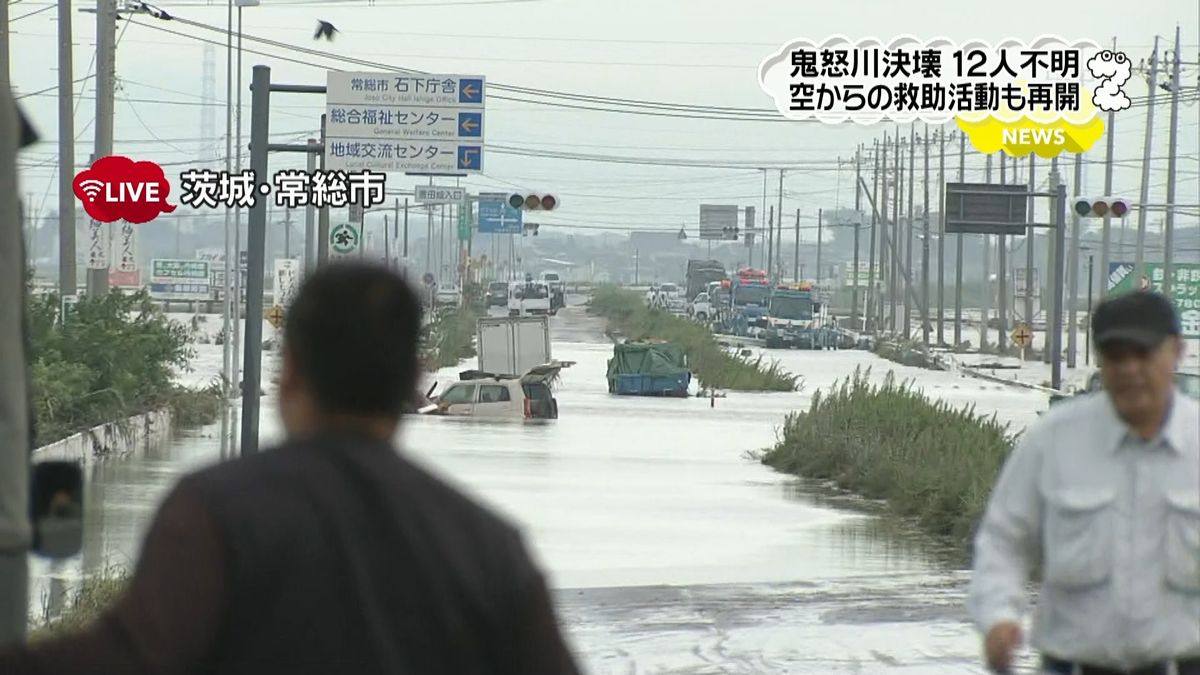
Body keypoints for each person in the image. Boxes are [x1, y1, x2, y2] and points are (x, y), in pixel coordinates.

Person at [0, 263, 582, 675]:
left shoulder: (214, 512)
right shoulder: (489, 546)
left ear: (292, 372)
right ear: (413, 379)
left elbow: (131, 656)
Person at [968, 290, 1199, 675]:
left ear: (1176, 352)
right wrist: (998, 617)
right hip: (1073, 665)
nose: (1128, 370)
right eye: (1115, 357)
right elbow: (1002, 542)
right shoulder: (1053, 440)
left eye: (1141, 355)